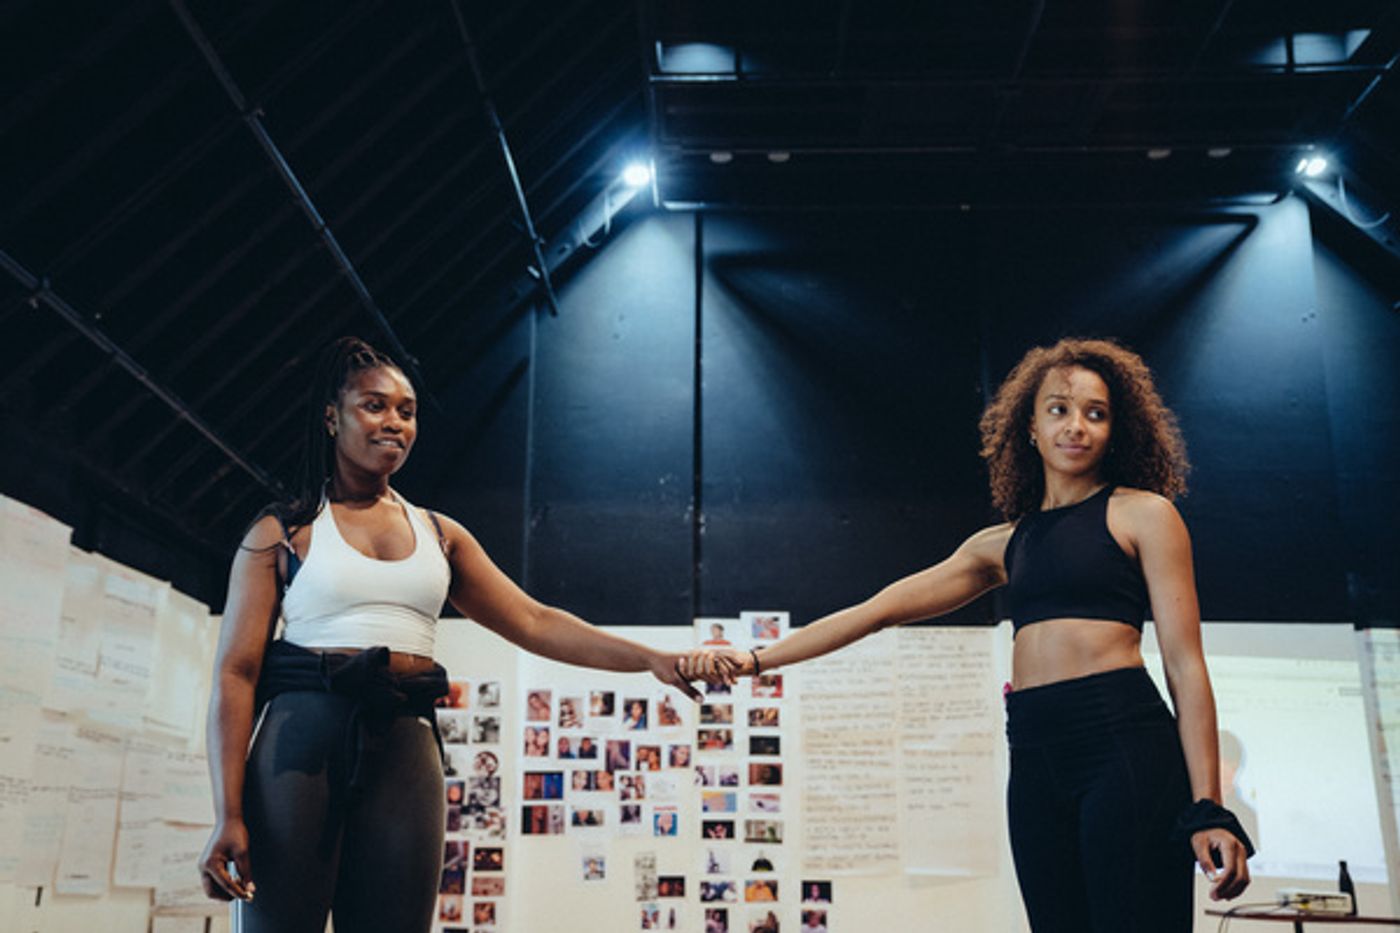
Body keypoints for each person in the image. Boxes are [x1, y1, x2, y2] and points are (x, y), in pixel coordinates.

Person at [683, 338, 1254, 933]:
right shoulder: (1004, 543)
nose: (1076, 426)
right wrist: (753, 659)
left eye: (1096, 412)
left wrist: (1208, 808)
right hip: (1034, 753)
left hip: (1121, 742)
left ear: (1117, 429)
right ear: (1029, 426)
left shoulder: (1144, 515)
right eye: (1058, 409)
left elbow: (1186, 667)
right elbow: (876, 611)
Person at [198, 337, 703, 932]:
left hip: (405, 744)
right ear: (332, 417)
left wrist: (653, 660)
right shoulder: (283, 530)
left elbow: (534, 621)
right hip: (299, 744)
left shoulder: (440, 535)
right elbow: (237, 673)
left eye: (407, 412)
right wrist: (228, 812)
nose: (394, 423)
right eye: (375, 405)